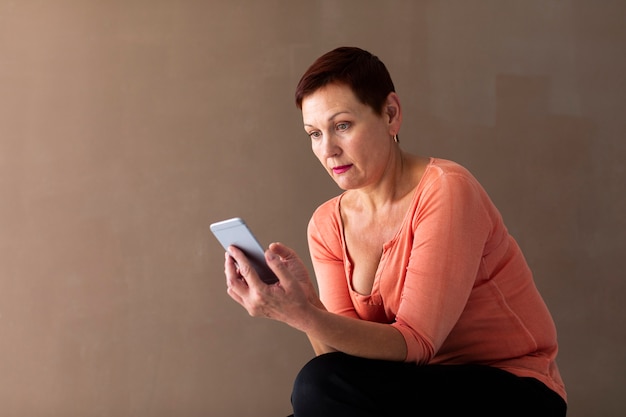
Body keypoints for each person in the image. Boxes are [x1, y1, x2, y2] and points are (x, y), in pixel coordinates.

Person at [223, 46, 567, 416]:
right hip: (407, 389)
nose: (329, 150)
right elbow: (345, 363)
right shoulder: (326, 224)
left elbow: (417, 342)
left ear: (390, 114)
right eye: (314, 133)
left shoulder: (447, 190)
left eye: (342, 126)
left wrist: (301, 314)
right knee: (317, 391)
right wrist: (307, 303)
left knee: (315, 385)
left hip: (512, 390)